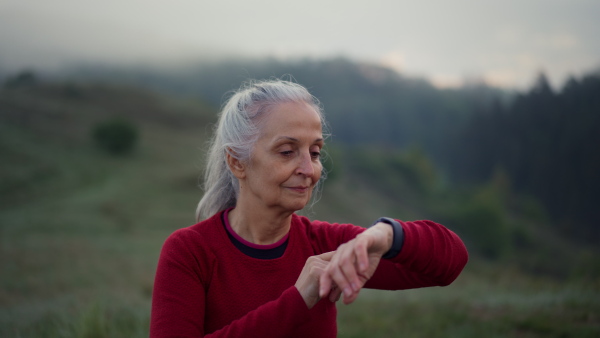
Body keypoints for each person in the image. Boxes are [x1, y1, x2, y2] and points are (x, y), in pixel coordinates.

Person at [150, 79, 468, 337]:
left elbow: (450, 262)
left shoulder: (326, 247)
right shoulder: (189, 252)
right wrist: (299, 299)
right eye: (287, 151)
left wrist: (386, 235)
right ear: (237, 162)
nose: (308, 168)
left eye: (315, 152)